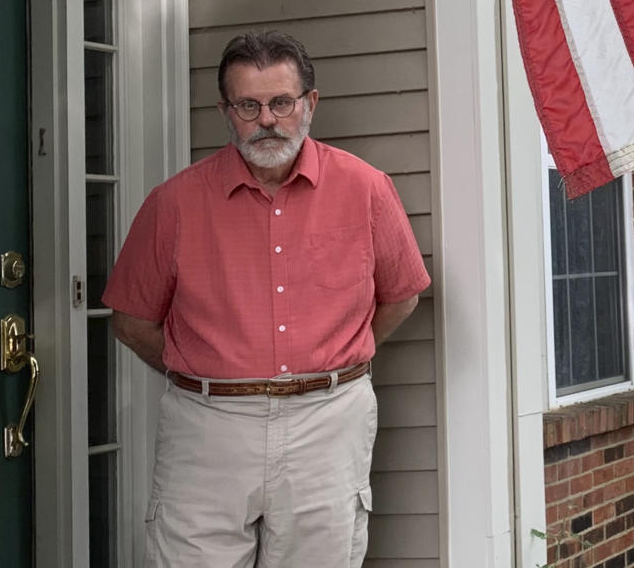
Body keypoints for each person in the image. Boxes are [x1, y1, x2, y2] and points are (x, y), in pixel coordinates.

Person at [102, 30, 430, 567]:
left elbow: (401, 297)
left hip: (328, 421)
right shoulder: (174, 204)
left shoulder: (365, 188)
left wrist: (336, 359)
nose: (268, 120)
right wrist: (205, 371)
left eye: (281, 102)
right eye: (248, 106)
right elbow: (132, 320)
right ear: (226, 111)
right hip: (207, 426)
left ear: (310, 103)